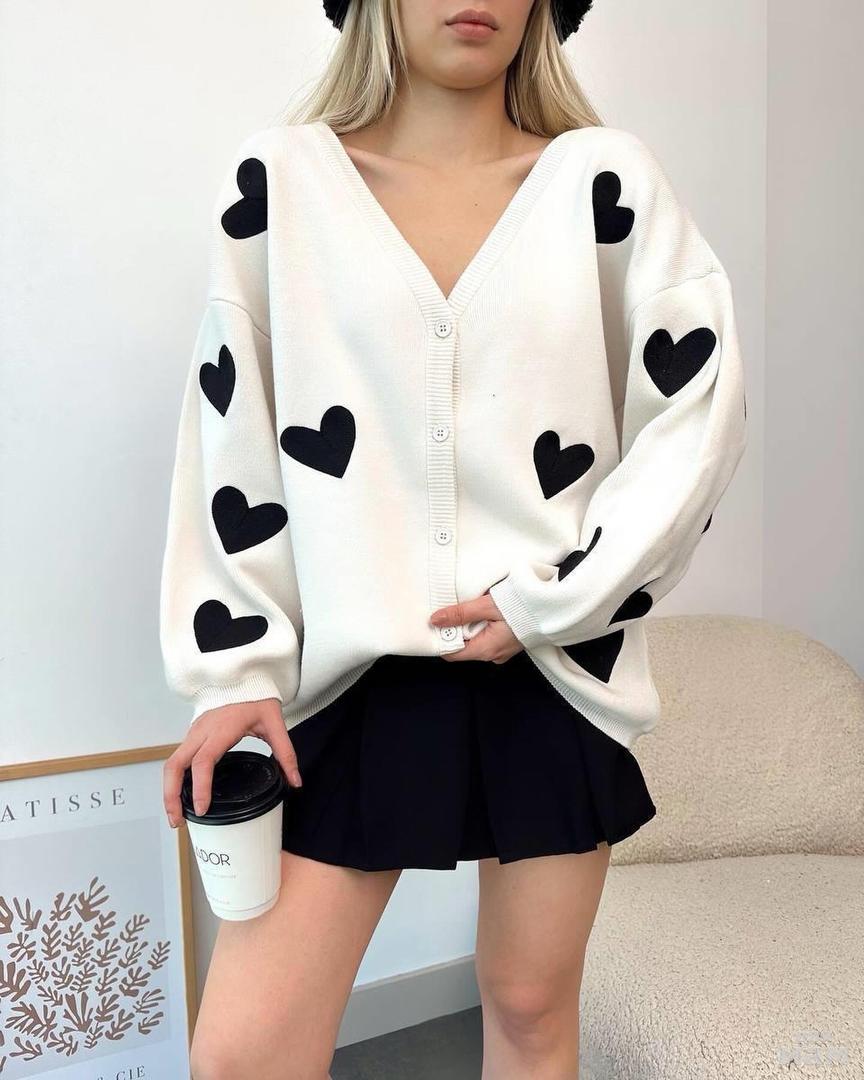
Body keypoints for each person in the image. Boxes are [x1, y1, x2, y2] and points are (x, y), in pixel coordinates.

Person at [159, 1, 748, 1076]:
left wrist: (557, 598)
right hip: (348, 670)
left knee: (529, 1007)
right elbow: (230, 424)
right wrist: (234, 668)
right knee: (244, 1054)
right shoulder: (281, 183)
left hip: (550, 665)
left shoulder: (603, 181)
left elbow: (698, 413)